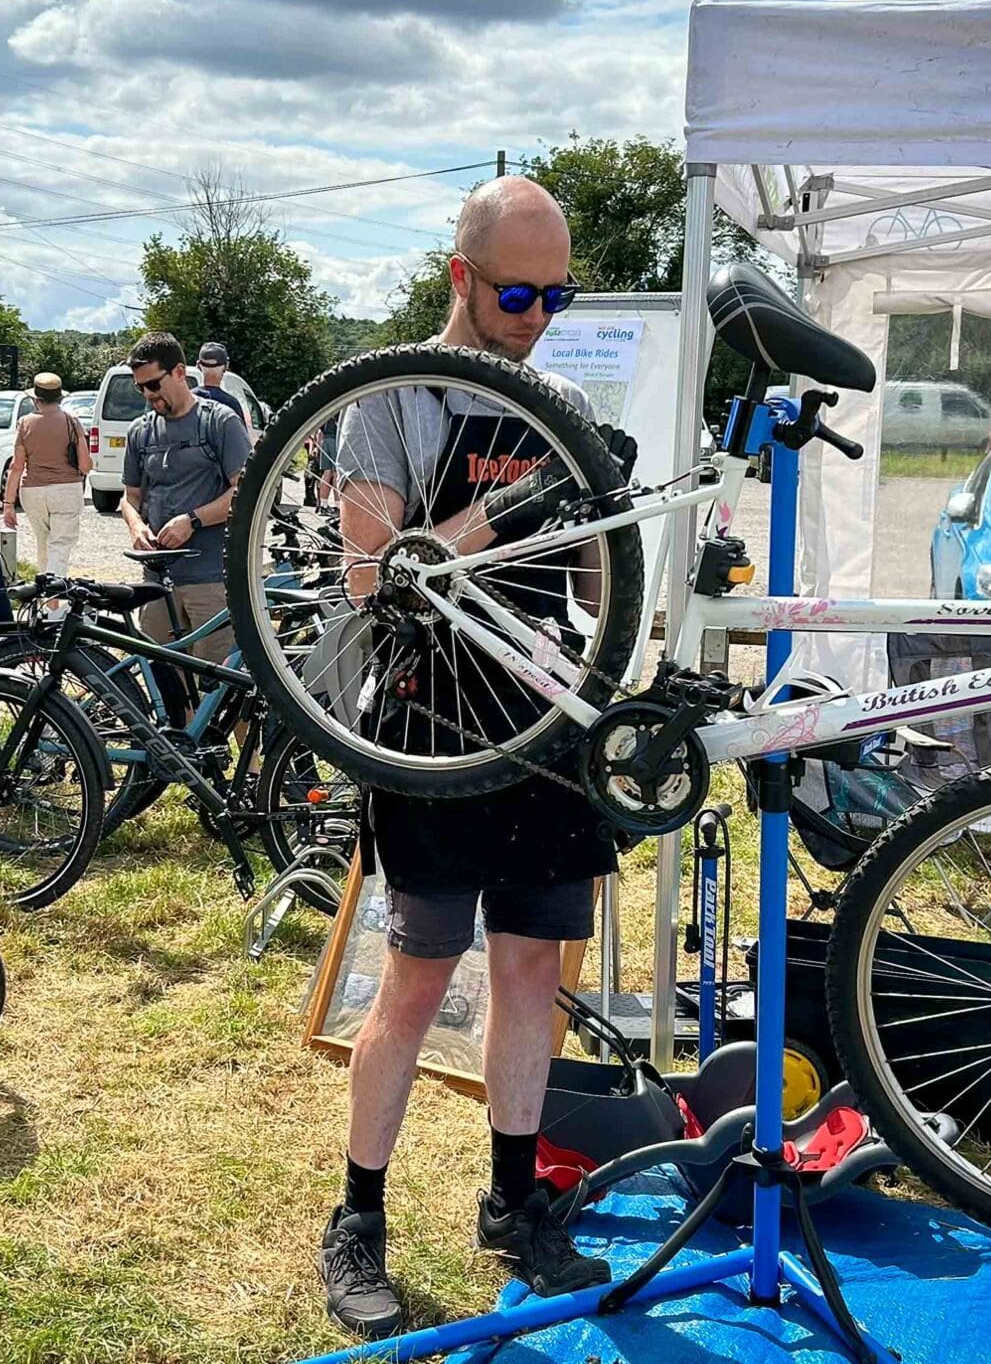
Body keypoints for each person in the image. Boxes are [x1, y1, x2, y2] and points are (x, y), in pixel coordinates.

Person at [316, 175, 618, 1339]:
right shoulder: (388, 398)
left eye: (556, 293)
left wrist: (621, 562)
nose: (537, 315)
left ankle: (511, 1197)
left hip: (544, 716)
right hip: (430, 719)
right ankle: (358, 1219)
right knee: (419, 978)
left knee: (535, 970)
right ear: (460, 277)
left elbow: (597, 582)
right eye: (516, 292)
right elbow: (370, 579)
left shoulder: (562, 399)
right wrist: (513, 507)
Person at [120, 332, 251, 678]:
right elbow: (130, 498)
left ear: (179, 372)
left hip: (209, 579)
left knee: (216, 686)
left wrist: (192, 521)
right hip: (157, 582)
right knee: (164, 686)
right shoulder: (140, 432)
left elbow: (244, 493)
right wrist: (136, 526)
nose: (148, 395)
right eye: (140, 388)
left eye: (153, 384)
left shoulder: (219, 422)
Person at [2, 371, 89, 577]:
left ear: (36, 399)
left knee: (44, 543)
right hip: (66, 489)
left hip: (32, 491)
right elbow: (85, 466)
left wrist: (8, 504)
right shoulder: (72, 422)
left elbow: (16, 466)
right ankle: (54, 600)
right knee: (60, 546)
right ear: (60, 397)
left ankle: (47, 597)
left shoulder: (24, 423)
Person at [193, 340, 253, 431]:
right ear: (225, 367)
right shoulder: (231, 404)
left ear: (198, 365)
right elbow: (241, 441)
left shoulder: (188, 399)